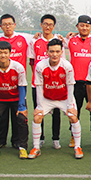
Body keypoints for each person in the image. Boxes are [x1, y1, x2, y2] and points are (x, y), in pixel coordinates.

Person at [0, 14, 34, 148]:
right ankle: (0, 142)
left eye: (10, 24)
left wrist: (63, 37)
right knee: (0, 117)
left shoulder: (24, 37)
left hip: (17, 84)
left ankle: (17, 142)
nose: (7, 26)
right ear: (0, 26)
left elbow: (42, 39)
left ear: (14, 25)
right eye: (4, 24)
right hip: (0, 84)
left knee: (18, 117)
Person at [28, 39, 84, 159]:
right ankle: (36, 147)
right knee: (37, 117)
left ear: (61, 52)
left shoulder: (67, 66)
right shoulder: (40, 66)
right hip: (47, 98)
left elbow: (70, 86)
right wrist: (39, 106)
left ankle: (77, 147)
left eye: (57, 51)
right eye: (52, 51)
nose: (54, 54)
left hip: (64, 98)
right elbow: (38, 86)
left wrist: (70, 106)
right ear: (47, 52)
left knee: (73, 117)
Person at [0, 41, 28, 160]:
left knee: (21, 118)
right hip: (0, 99)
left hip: (16, 98)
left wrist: (22, 107)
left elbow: (22, 87)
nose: (3, 55)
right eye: (0, 53)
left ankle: (22, 147)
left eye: (5, 52)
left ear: (10, 53)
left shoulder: (18, 67)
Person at [65, 15, 91, 147]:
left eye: (87, 26)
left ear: (90, 27)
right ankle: (73, 136)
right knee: (75, 110)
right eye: (81, 25)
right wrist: (36, 36)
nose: (84, 28)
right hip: (75, 82)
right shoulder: (70, 39)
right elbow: (54, 40)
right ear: (77, 26)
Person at [28, 14, 63, 149]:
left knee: (56, 112)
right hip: (38, 84)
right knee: (39, 111)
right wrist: (39, 77)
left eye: (50, 24)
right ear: (41, 25)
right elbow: (32, 62)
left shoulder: (59, 40)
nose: (48, 27)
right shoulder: (34, 41)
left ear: (54, 26)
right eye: (45, 24)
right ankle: (40, 138)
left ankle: (56, 138)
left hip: (55, 84)